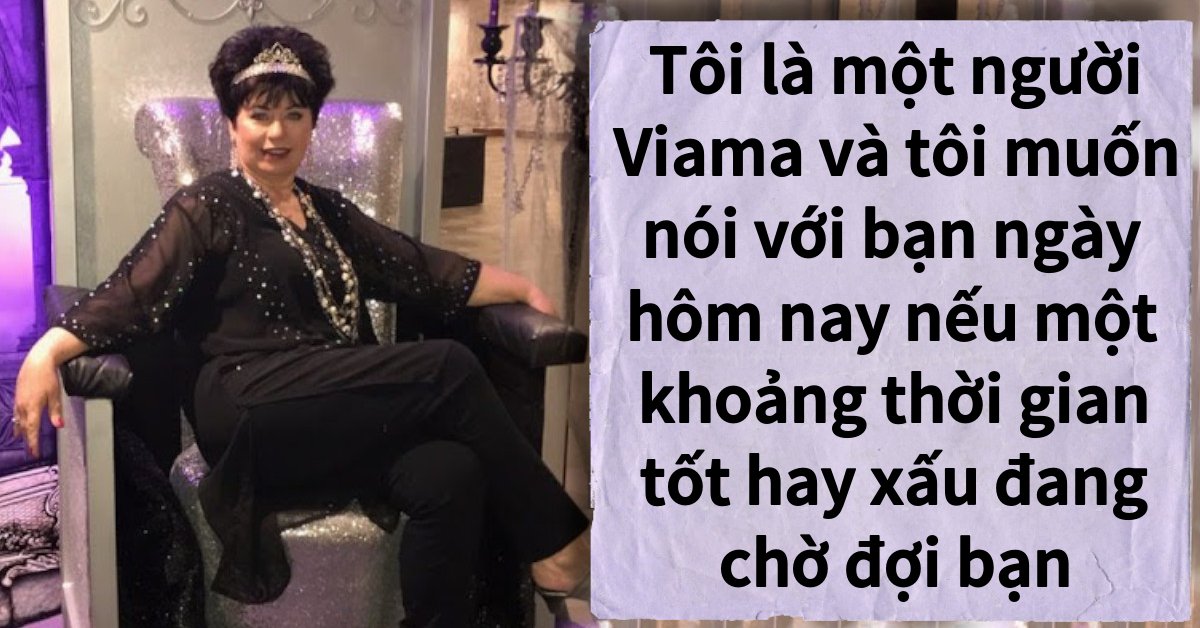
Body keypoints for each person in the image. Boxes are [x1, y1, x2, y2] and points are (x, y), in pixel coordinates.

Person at [12, 25, 590, 626]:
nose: (277, 132)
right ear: (232, 124)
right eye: (260, 115)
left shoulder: (327, 209)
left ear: (312, 125)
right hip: (246, 409)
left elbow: (417, 268)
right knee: (448, 365)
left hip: (327, 411)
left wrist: (519, 287)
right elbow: (134, 291)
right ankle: (552, 538)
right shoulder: (207, 205)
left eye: (294, 115)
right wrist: (48, 350)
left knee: (450, 474)